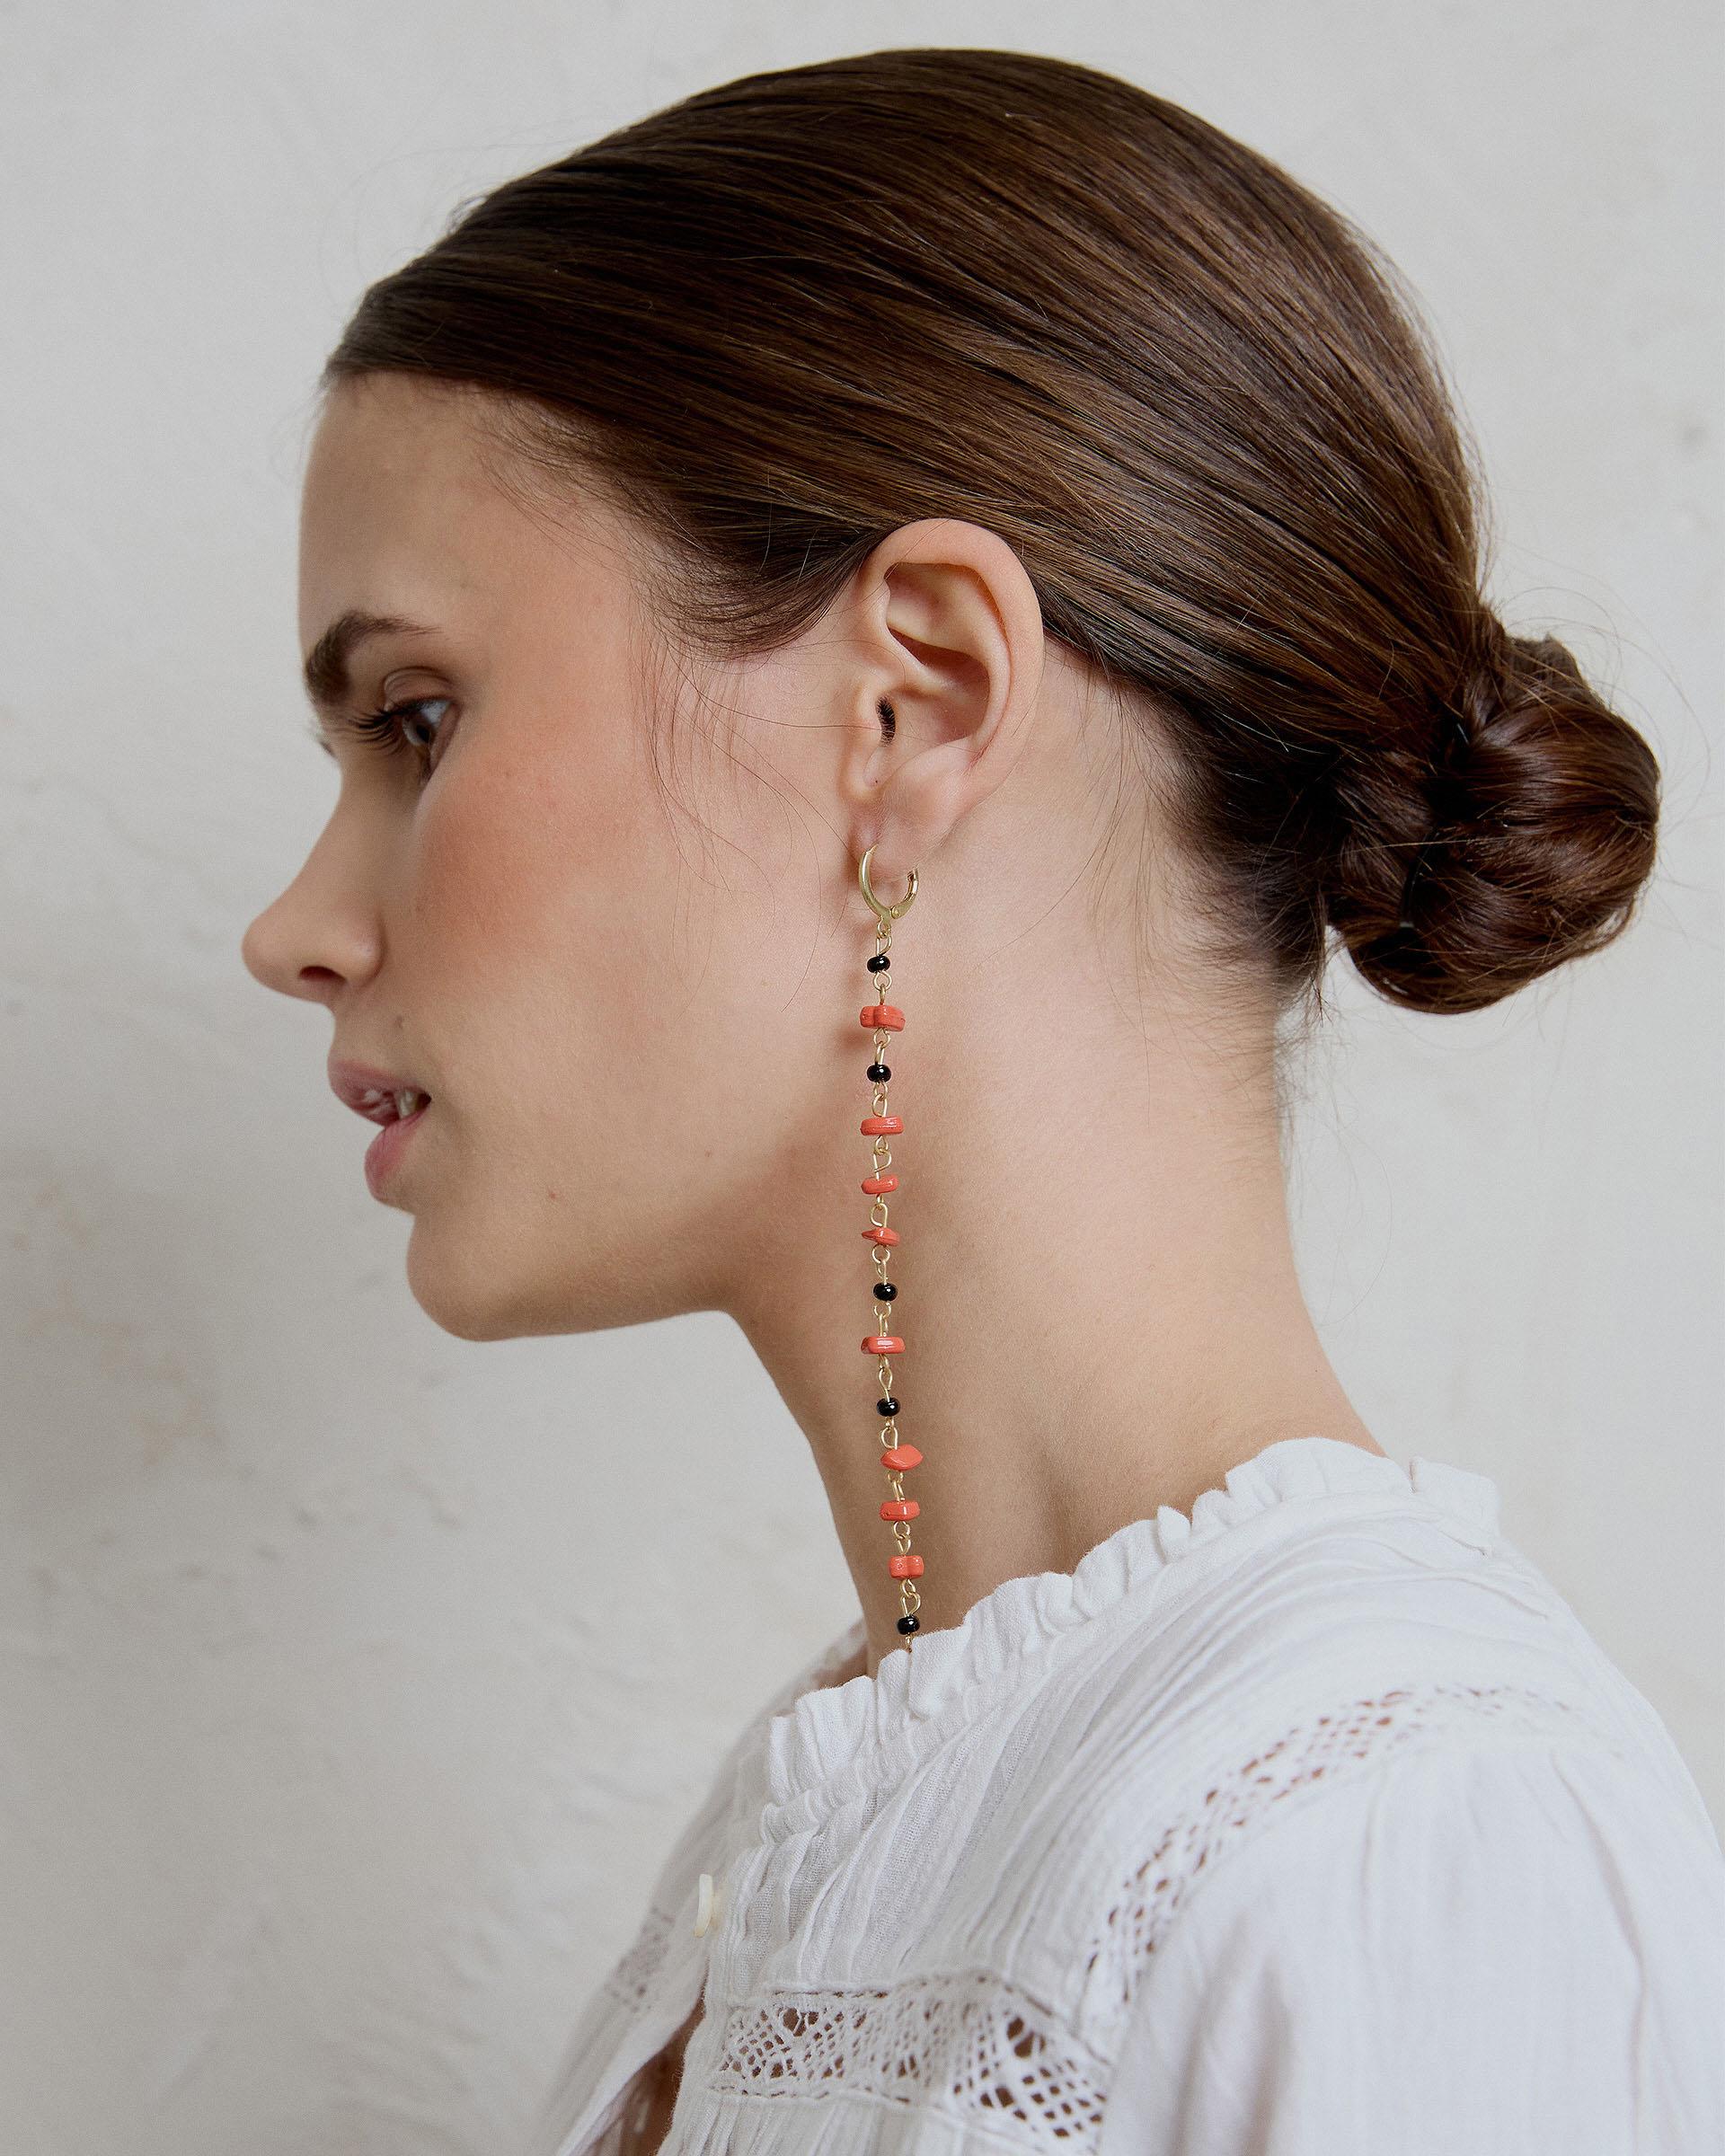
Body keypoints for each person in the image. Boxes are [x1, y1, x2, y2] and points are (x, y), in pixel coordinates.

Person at [240, 47, 1724, 2156]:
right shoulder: (855, 1809)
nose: (296, 928)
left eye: (416, 719)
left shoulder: (1389, 1855)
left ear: (913, 703)